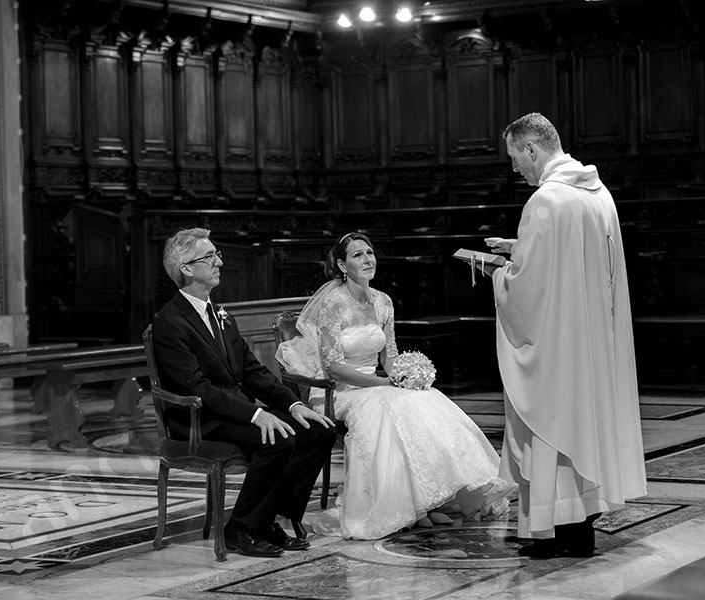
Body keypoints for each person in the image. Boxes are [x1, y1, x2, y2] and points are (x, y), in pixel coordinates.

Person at [276, 232, 514, 540]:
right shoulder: (332, 305)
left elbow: (389, 356)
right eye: (357, 255)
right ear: (341, 265)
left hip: (377, 384)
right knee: (386, 410)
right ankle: (399, 507)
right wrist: (384, 382)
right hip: (339, 390)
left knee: (427, 400)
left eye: (370, 253)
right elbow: (334, 366)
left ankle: (431, 500)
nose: (367, 260)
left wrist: (406, 377)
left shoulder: (383, 301)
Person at [483, 112, 647, 558]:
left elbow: (530, 288)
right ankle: (580, 530)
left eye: (515, 157)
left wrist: (500, 272)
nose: (515, 167)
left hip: (558, 346)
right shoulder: (599, 194)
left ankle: (550, 533)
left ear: (532, 149)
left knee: (551, 426)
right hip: (592, 342)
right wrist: (518, 248)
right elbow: (581, 262)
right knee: (584, 426)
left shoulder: (546, 201)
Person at [150, 228, 338, 558]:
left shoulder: (221, 315)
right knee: (278, 439)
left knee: (319, 431)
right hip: (199, 420)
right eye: (210, 256)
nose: (219, 261)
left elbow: (252, 371)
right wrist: (255, 413)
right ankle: (239, 527)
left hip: (230, 412)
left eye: (217, 254)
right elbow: (196, 387)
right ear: (187, 269)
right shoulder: (170, 322)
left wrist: (292, 405)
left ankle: (263, 520)